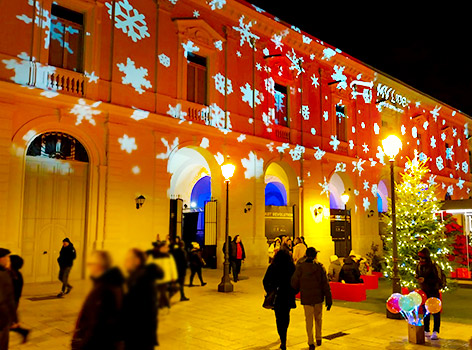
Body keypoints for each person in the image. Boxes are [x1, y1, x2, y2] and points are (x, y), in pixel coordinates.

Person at [72, 251, 124, 350]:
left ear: (99, 266)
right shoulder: (108, 283)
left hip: (98, 344)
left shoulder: (105, 288)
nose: (89, 267)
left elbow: (97, 324)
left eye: (91, 264)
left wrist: (81, 345)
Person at [123, 248, 164, 350]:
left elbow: (140, 310)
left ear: (137, 261)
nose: (125, 262)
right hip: (141, 335)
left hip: (139, 337)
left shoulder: (141, 280)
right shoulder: (138, 277)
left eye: (128, 259)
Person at [292, 247, 332, 349]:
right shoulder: (320, 267)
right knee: (318, 318)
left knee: (308, 320)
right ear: (315, 255)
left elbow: (294, 282)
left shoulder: (301, 267)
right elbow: (325, 284)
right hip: (318, 297)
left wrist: (294, 291)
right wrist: (329, 298)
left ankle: (310, 341)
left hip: (306, 298)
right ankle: (319, 337)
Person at [263, 250, 296, 350]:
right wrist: (293, 291)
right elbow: (296, 281)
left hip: (277, 296)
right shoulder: (291, 267)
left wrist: (270, 290)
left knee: (278, 318)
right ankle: (284, 334)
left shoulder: (273, 266)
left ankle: (283, 338)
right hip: (288, 295)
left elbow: (265, 281)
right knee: (286, 316)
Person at [416, 247, 443, 340]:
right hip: (424, 291)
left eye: (423, 258)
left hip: (433, 290)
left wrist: (426, 280)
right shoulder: (419, 266)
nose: (421, 260)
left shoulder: (433, 266)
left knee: (435, 311)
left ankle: (435, 331)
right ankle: (426, 329)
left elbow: (438, 279)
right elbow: (418, 274)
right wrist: (418, 278)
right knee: (425, 311)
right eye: (420, 258)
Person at [148, 241, 179, 308]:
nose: (167, 248)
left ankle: (163, 304)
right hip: (156, 278)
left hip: (165, 278)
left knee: (162, 291)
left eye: (167, 247)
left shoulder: (169, 256)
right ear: (160, 248)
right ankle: (164, 303)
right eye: (165, 247)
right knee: (159, 292)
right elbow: (149, 267)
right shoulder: (153, 255)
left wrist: (174, 276)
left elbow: (172, 267)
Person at [9, 255, 30, 343]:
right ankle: (23, 332)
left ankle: (23, 331)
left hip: (10, 302)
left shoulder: (13, 276)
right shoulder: (16, 274)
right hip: (12, 302)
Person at [0, 248, 16, 350]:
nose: (8, 260)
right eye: (6, 258)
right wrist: (13, 318)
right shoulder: (3, 275)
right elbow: (7, 299)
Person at [170, 237, 190, 301]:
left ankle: (182, 295)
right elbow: (184, 261)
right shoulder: (182, 252)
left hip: (177, 269)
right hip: (181, 270)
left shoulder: (174, 251)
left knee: (177, 284)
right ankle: (181, 296)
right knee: (180, 284)